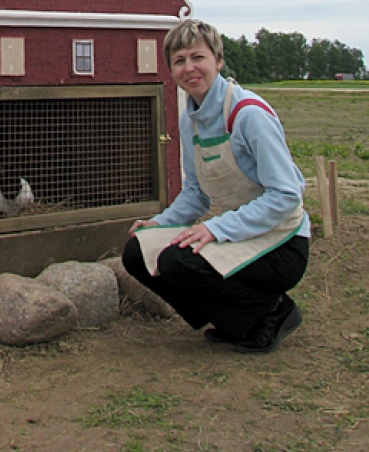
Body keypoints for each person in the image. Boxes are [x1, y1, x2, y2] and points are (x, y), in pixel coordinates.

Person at [122, 19, 310, 353]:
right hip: (241, 231)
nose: (189, 68)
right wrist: (161, 223)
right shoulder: (190, 119)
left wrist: (216, 229)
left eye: (198, 58)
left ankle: (273, 311)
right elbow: (195, 192)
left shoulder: (248, 114)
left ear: (218, 61)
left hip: (282, 242)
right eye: (179, 61)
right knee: (139, 252)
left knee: (177, 262)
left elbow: (286, 195)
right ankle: (233, 320)